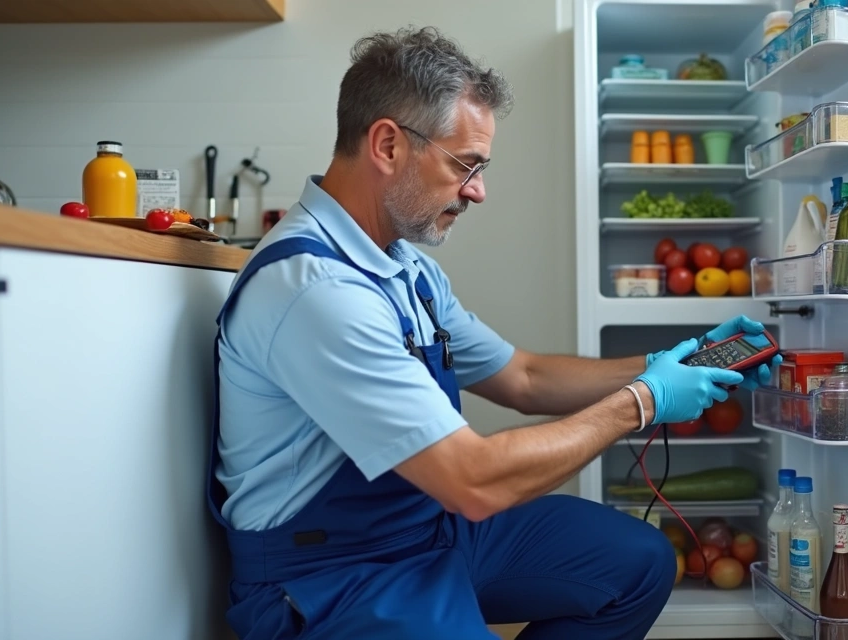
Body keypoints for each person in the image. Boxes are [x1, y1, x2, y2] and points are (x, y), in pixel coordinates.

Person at [207, 26, 780, 640]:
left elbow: (523, 377)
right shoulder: (316, 291)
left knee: (639, 561)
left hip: (429, 529)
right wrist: (643, 402)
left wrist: (670, 362)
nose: (479, 190)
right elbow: (473, 481)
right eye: (466, 165)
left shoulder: (404, 267)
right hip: (331, 577)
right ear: (387, 145)